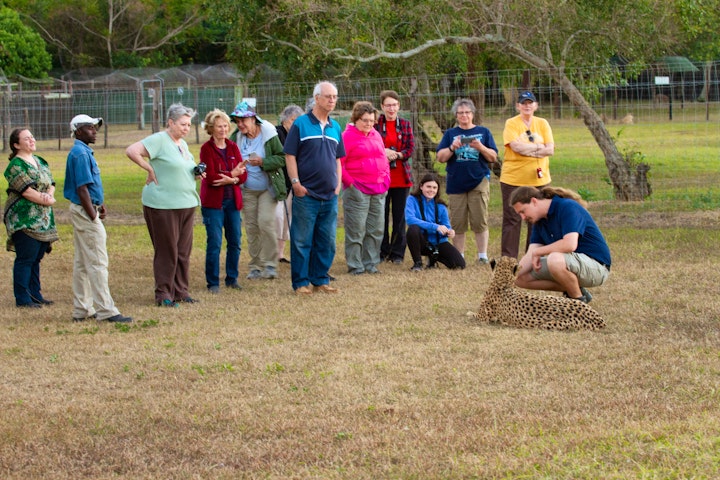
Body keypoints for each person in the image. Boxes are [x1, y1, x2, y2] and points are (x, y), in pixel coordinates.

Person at [125, 103, 202, 308]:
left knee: (183, 251)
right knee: (167, 250)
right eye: (183, 124)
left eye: (188, 124)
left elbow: (182, 167)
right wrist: (148, 168)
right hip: (163, 205)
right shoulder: (159, 139)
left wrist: (196, 171)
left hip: (186, 203)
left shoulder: (182, 144)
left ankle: (181, 291)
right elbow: (132, 151)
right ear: (170, 122)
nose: (186, 128)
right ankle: (163, 293)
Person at [64, 115, 132, 323]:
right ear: (77, 131)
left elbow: (88, 186)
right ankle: (106, 310)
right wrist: (93, 215)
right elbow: (82, 188)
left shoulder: (81, 152)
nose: (94, 131)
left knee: (83, 261)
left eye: (95, 128)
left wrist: (98, 205)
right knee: (97, 262)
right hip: (85, 212)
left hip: (84, 209)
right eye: (89, 128)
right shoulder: (80, 154)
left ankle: (82, 308)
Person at [283, 81, 345, 295]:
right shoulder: (301, 124)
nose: (332, 100)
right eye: (328, 96)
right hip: (306, 194)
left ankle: (320, 280)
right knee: (302, 239)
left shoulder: (335, 127)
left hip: (329, 195)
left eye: (335, 97)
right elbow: (289, 155)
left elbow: (338, 159)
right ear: (316, 98)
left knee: (327, 240)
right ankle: (301, 283)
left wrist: (338, 184)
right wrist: (296, 184)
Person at [510, 186, 611, 303]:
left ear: (534, 201)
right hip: (571, 264)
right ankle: (574, 289)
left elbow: (570, 244)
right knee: (519, 278)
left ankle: (578, 303)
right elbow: (530, 255)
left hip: (597, 267)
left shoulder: (567, 207)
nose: (522, 217)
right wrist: (508, 276)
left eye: (523, 211)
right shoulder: (539, 221)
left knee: (554, 259)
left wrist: (539, 252)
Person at [436, 98, 498, 264]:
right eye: (460, 113)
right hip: (456, 182)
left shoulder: (484, 132)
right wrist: (452, 148)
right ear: (456, 115)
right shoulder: (450, 134)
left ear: (473, 114)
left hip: (479, 181)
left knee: (480, 220)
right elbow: (440, 158)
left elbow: (493, 156)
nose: (464, 115)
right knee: (457, 222)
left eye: (467, 112)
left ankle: (482, 256)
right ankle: (459, 256)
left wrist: (481, 147)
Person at [229, 101, 287, 280]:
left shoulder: (269, 134)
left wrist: (263, 162)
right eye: (237, 121)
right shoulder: (236, 137)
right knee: (252, 227)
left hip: (267, 188)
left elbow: (282, 158)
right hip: (246, 189)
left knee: (266, 222)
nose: (240, 125)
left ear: (253, 119)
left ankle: (270, 265)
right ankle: (255, 266)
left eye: (243, 121)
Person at [4, 128, 59, 308]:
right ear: (16, 144)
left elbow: (51, 183)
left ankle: (35, 294)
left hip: (43, 219)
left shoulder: (40, 161)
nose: (31, 140)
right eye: (26, 139)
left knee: (36, 258)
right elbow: (26, 191)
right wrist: (46, 200)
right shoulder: (15, 166)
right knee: (25, 258)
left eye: (32, 137)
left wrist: (49, 196)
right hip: (24, 219)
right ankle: (23, 298)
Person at [501, 91, 555, 258]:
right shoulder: (511, 123)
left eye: (530, 103)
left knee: (537, 217)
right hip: (513, 179)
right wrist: (540, 148)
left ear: (536, 105)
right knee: (513, 218)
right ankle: (508, 259)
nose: (527, 106)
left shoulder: (543, 123)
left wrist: (530, 149)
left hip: (539, 179)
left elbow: (551, 149)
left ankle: (533, 255)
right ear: (518, 106)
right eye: (523, 103)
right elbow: (515, 147)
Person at [199, 109, 248, 294]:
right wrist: (232, 174)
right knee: (215, 242)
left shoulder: (233, 147)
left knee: (235, 241)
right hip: (213, 204)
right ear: (211, 129)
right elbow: (210, 177)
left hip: (232, 202)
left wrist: (231, 179)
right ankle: (213, 282)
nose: (223, 129)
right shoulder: (206, 149)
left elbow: (243, 174)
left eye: (226, 126)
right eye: (219, 126)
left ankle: (232, 278)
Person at [341, 101, 390, 275]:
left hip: (378, 189)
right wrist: (351, 185)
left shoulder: (375, 134)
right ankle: (355, 265)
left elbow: (383, 157)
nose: (369, 124)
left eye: (371, 120)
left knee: (376, 229)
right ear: (356, 119)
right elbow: (340, 164)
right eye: (365, 120)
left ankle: (371, 263)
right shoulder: (347, 136)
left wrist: (386, 180)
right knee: (356, 229)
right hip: (357, 189)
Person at [375, 90, 415, 265]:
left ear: (399, 106)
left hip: (401, 178)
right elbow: (372, 146)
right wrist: (383, 153)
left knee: (400, 218)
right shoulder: (376, 124)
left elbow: (410, 148)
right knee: (380, 216)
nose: (391, 108)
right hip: (380, 179)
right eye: (387, 105)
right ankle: (382, 251)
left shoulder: (405, 124)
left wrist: (397, 155)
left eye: (394, 105)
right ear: (382, 107)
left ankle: (397, 253)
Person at [405, 173, 465, 271]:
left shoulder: (441, 206)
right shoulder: (412, 200)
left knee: (459, 265)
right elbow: (410, 219)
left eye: (434, 188)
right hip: (421, 241)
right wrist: (435, 226)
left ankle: (433, 258)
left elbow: (446, 225)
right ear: (421, 186)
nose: (431, 190)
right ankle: (418, 263)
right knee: (413, 229)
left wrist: (450, 231)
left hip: (438, 242)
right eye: (428, 187)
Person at [275, 104, 304, 264]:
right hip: (279, 184)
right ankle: (272, 252)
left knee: (288, 219)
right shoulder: (277, 133)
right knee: (278, 217)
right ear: (285, 119)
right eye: (293, 119)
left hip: (293, 182)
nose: (295, 123)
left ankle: (280, 253)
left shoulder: (298, 135)